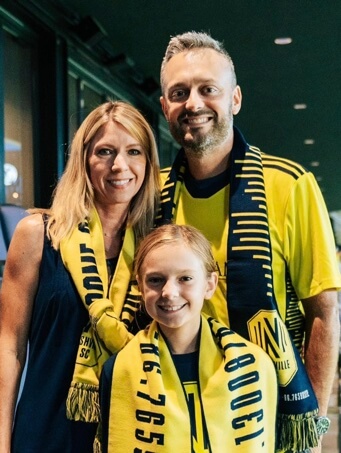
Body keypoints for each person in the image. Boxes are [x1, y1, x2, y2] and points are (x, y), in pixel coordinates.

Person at [154, 31, 341, 453]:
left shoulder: (289, 185)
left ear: (234, 99)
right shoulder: (155, 195)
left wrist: (308, 424)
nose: (194, 103)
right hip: (173, 416)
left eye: (208, 89)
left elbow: (324, 313)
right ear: (165, 106)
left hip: (266, 415)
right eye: (179, 92)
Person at [0, 100, 160, 452]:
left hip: (131, 434)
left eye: (133, 151)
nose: (119, 165)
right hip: (44, 431)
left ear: (148, 164)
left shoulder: (157, 249)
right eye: (105, 151)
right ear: (84, 160)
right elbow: (9, 347)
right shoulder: (38, 235)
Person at [100, 224, 278, 452]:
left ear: (209, 285)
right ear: (141, 287)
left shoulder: (255, 367)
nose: (169, 292)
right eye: (155, 280)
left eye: (185, 278)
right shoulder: (118, 370)